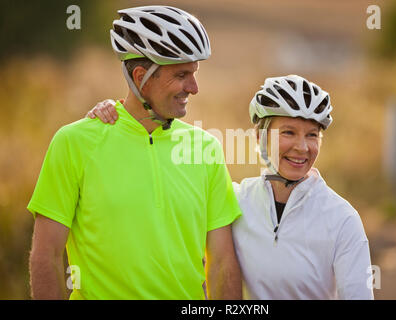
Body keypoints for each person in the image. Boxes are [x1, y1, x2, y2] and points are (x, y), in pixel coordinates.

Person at [90, 74, 374, 300]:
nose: (302, 147)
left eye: (312, 135)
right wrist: (119, 115)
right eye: (288, 132)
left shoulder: (341, 219)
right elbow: (158, 205)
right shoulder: (236, 200)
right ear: (261, 136)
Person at [28, 5, 242, 300]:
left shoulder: (206, 149)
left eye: (194, 73)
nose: (193, 87)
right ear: (141, 76)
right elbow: (47, 256)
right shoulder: (73, 143)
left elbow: (221, 263)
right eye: (181, 75)